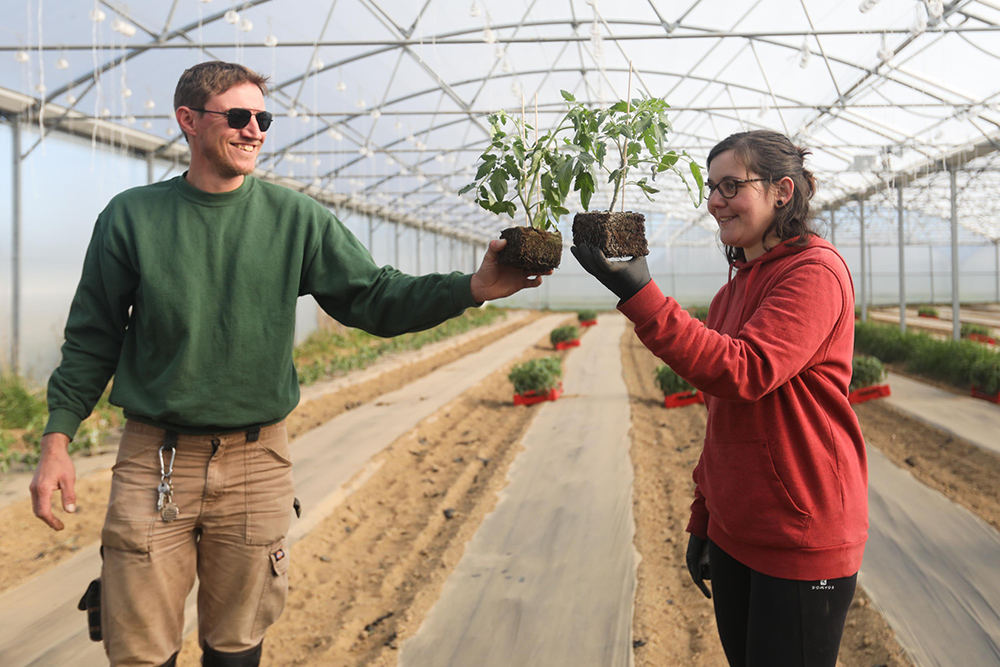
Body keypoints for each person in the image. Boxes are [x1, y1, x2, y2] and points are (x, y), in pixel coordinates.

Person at [29, 60, 546, 667]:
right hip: (154, 459)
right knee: (139, 648)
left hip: (255, 461)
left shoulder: (295, 219)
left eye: (263, 119)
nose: (254, 131)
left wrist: (471, 288)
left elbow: (373, 296)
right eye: (238, 117)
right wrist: (57, 439)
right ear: (188, 120)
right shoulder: (132, 217)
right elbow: (93, 336)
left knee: (237, 643)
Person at [573, 129, 867, 667]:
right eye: (711, 188)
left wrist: (641, 295)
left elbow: (745, 372)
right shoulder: (729, 293)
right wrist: (706, 515)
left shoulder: (815, 272)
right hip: (736, 531)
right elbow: (723, 418)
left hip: (800, 536)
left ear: (782, 191)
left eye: (731, 185)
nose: (715, 201)